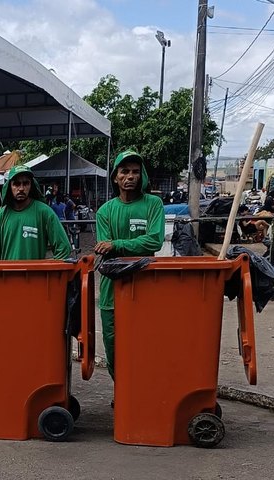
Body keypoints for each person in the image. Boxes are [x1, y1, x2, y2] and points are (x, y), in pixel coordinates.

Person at [94, 150, 165, 380]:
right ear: (115, 177)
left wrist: (117, 244)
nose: (130, 176)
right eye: (125, 171)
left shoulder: (153, 204)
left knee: (144, 343)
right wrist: (119, 247)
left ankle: (141, 390)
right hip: (111, 292)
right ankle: (122, 390)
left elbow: (154, 239)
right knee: (113, 345)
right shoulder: (105, 211)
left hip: (144, 287)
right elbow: (106, 252)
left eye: (135, 171)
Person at [0, 165, 71, 260]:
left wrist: (47, 270)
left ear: (31, 185)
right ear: (9, 186)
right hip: (8, 274)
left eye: (25, 183)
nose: (21, 188)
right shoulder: (2, 215)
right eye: (16, 184)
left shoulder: (44, 212)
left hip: (35, 275)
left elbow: (64, 248)